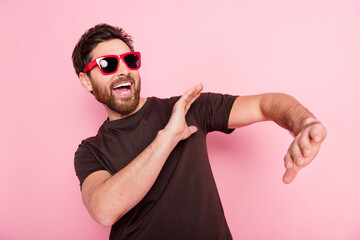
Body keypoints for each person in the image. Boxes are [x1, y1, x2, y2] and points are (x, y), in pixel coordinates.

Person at [72, 23, 327, 240]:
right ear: (86, 80)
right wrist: (168, 137)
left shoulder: (188, 107)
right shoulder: (90, 150)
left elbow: (265, 104)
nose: (124, 70)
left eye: (130, 59)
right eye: (107, 64)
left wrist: (305, 124)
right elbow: (104, 210)